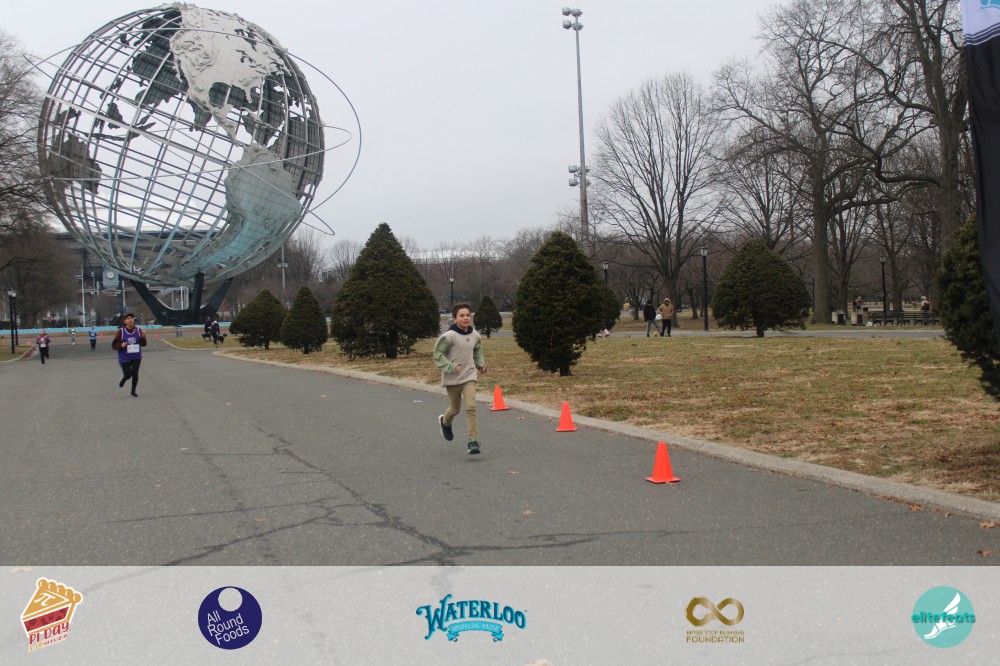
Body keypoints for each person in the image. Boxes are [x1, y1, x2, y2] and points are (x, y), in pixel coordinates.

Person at [433, 302, 486, 455]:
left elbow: (477, 350)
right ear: (454, 319)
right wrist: (450, 366)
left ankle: (472, 441)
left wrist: (480, 364)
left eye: (468, 315)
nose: (465, 318)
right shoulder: (449, 336)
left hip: (469, 375)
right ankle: (445, 422)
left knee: (471, 406)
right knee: (455, 409)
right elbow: (438, 355)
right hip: (453, 378)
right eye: (461, 316)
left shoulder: (475, 335)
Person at [112, 313, 147, 397]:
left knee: (135, 373)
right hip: (124, 357)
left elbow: (143, 344)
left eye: (131, 318)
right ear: (125, 321)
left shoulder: (138, 330)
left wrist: (143, 337)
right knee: (128, 375)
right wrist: (121, 345)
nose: (130, 320)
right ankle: (124, 377)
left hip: (136, 356)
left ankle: (133, 391)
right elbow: (114, 345)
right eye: (128, 318)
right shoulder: (121, 331)